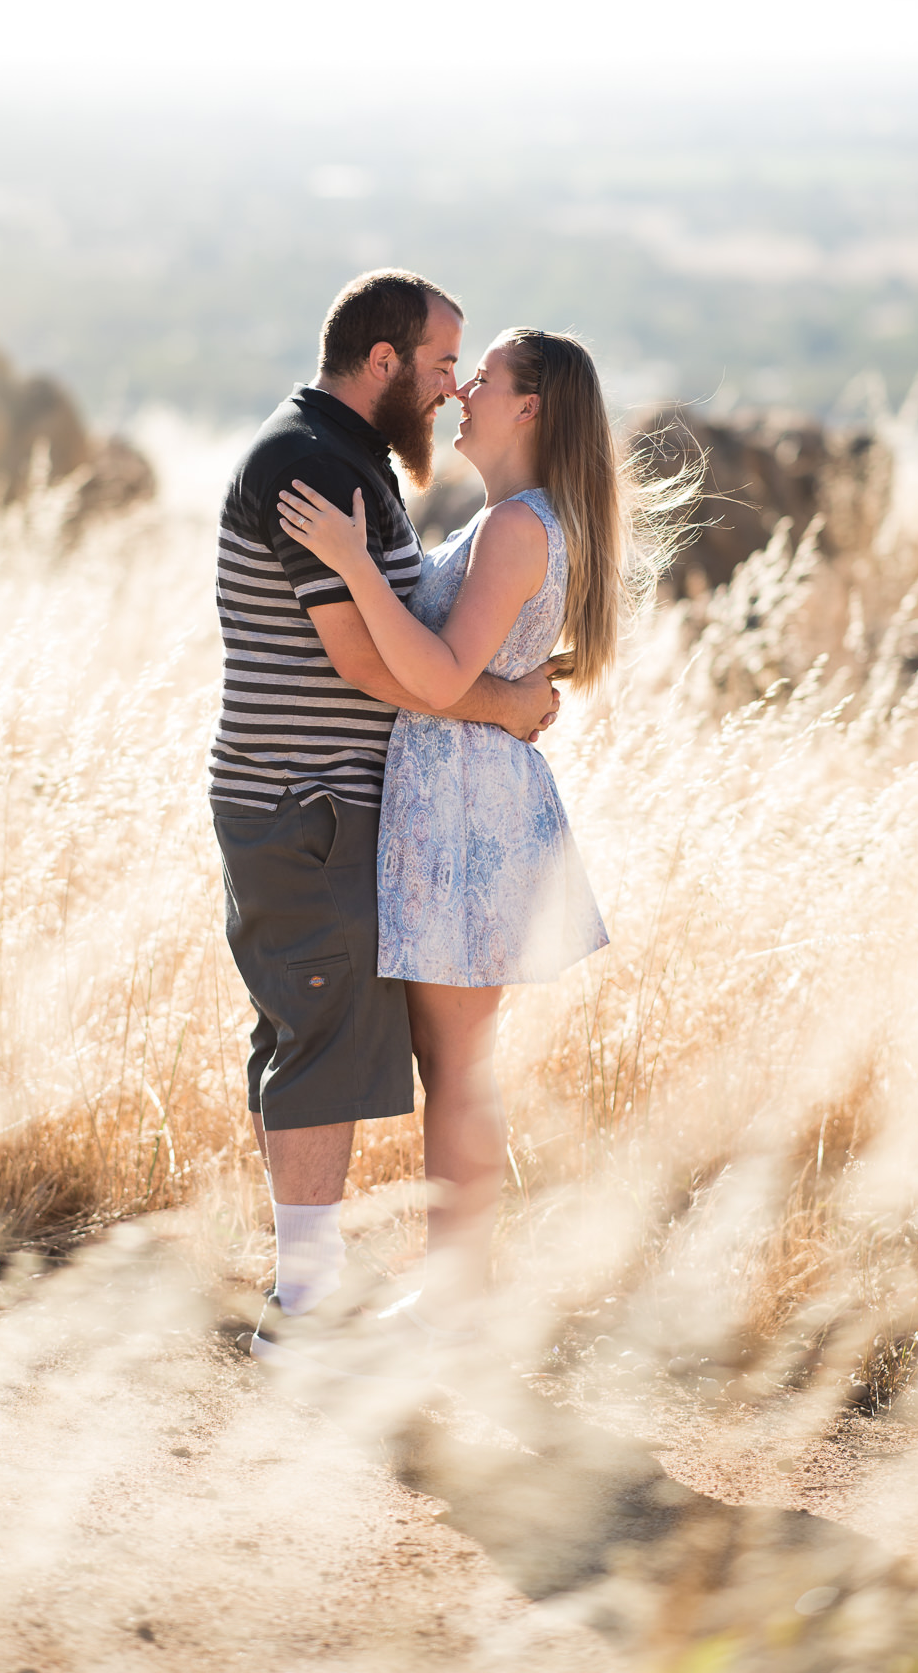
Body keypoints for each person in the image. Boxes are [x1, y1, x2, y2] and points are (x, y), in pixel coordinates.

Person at [208, 271, 560, 1367]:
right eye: (442, 362)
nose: (451, 386)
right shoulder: (315, 465)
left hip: (317, 801)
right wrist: (506, 702)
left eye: (469, 371)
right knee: (318, 1032)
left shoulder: (347, 459)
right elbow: (366, 659)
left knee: (314, 1032)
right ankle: (306, 1300)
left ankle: (333, 1281)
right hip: (303, 799)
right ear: (382, 362)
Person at [278, 327, 620, 1332]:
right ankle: (456, 1287)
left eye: (490, 376)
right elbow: (459, 675)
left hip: (469, 805)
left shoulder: (517, 525)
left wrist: (348, 560)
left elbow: (433, 676)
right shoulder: (511, 518)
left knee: (458, 1065)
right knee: (453, 1060)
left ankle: (460, 1295)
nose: (466, 387)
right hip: (460, 794)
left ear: (530, 407)